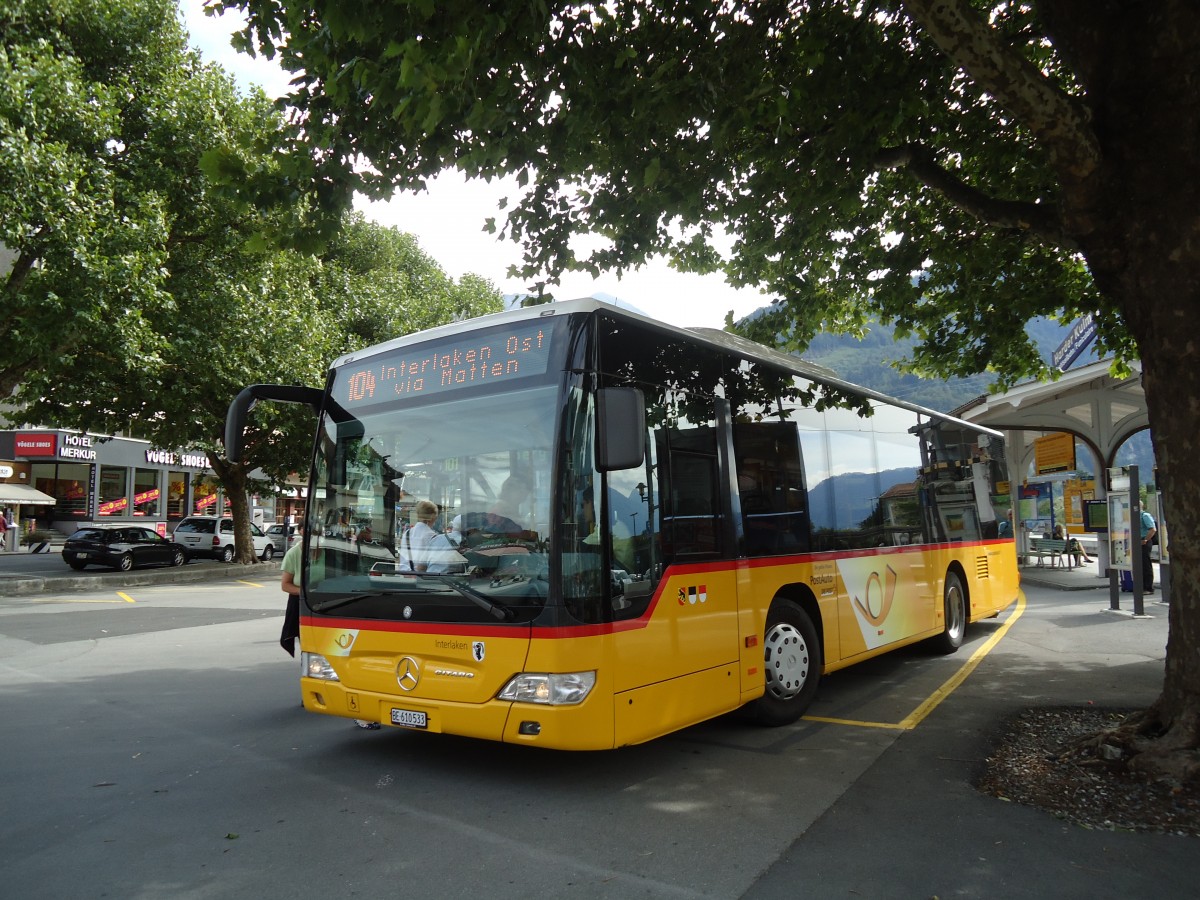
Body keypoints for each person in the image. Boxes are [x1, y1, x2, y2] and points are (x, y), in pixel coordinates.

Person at [400, 500, 439, 571]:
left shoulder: (407, 533)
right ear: (433, 517)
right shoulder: (432, 536)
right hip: (421, 578)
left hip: (404, 576)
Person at [1140, 508, 1157, 592]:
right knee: (1139, 565)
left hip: (1144, 541)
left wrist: (1146, 540)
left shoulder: (1145, 516)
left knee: (1145, 564)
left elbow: (1152, 529)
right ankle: (1141, 585)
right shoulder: (1133, 516)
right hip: (1137, 541)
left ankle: (1148, 587)